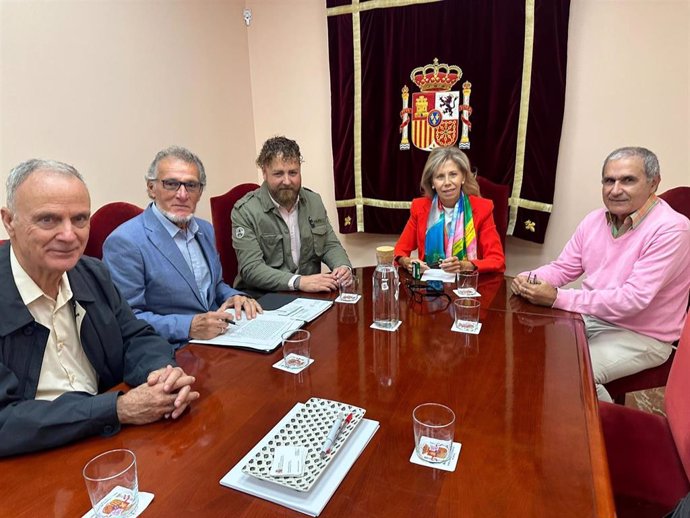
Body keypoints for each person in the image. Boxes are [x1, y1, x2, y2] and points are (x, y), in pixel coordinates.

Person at [0, 159, 199, 457]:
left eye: (80, 219)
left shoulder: (92, 273)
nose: (69, 235)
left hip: (112, 442)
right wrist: (116, 409)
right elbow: (5, 422)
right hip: (32, 462)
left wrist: (160, 373)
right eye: (48, 220)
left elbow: (137, 336)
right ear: (9, 221)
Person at [511, 147, 690, 402]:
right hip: (593, 317)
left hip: (644, 335)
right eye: (609, 180)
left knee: (573, 371)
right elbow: (563, 268)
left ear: (654, 183)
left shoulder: (673, 229)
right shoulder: (594, 220)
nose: (615, 189)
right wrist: (529, 278)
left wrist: (556, 298)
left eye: (628, 180)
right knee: (532, 348)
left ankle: (602, 437)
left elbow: (633, 299)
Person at [103, 146, 262, 349]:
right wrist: (188, 327)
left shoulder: (205, 229)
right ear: (151, 188)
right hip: (171, 350)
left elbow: (215, 285)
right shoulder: (125, 242)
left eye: (191, 185)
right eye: (171, 184)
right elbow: (127, 319)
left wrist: (234, 296)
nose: (182, 194)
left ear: (200, 191)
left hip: (221, 337)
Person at [232, 136, 352, 293]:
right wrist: (298, 282)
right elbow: (251, 269)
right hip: (263, 298)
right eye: (278, 174)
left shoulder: (313, 201)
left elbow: (329, 245)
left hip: (308, 297)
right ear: (264, 172)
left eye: (293, 173)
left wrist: (342, 267)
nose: (287, 181)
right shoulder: (245, 211)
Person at [394, 147, 505, 274]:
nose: (447, 182)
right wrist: (407, 262)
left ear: (463, 177)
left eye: (453, 174)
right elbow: (400, 251)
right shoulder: (420, 207)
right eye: (440, 177)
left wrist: (464, 266)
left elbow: (497, 260)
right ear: (432, 183)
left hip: (469, 284)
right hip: (429, 286)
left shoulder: (482, 208)